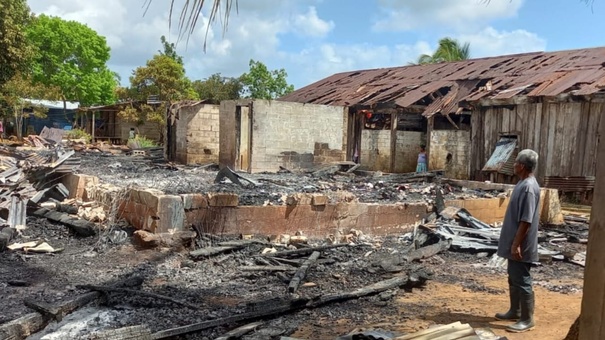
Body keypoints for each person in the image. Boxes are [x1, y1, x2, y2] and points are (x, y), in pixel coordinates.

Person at [495, 149, 540, 333]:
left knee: (522, 279)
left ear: (521, 166)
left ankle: (527, 319)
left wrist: (516, 244)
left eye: (515, 163)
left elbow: (526, 220)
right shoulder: (522, 183)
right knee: (513, 278)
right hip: (514, 242)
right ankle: (515, 310)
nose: (513, 165)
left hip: (521, 244)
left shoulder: (529, 187)